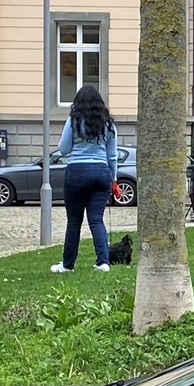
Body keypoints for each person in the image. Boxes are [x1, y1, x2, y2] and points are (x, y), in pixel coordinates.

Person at [51, 84, 119, 273]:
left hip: (77, 172)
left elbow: (63, 149)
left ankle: (67, 265)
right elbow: (112, 155)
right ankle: (103, 262)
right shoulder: (108, 124)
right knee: (96, 220)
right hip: (102, 172)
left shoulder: (73, 120)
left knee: (74, 221)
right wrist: (113, 179)